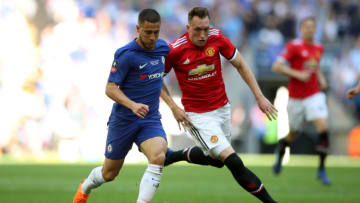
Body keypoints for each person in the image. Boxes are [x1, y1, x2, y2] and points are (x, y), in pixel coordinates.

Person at [161, 7, 278, 203]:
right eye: (197, 29)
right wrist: (174, 107)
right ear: (188, 27)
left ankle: (174, 156)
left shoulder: (217, 38)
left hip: (222, 109)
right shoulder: (175, 49)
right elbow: (157, 80)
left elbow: (241, 64)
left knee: (216, 161)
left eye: (206, 28)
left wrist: (259, 96)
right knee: (233, 161)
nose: (203, 34)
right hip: (198, 116)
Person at [73, 9, 170, 203]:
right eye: (148, 32)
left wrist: (174, 107)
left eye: (156, 32)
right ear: (138, 29)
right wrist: (132, 105)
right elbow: (110, 88)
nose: (152, 38)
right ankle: (85, 187)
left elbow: (159, 78)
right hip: (124, 120)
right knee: (109, 174)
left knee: (159, 156)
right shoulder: (126, 54)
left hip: (149, 119)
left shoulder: (163, 49)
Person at [271, 16, 331, 185]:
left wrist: (320, 77)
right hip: (296, 98)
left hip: (314, 94)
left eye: (313, 27)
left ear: (316, 29)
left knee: (323, 127)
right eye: (307, 27)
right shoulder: (294, 46)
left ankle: (321, 169)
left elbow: (314, 66)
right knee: (293, 134)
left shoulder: (319, 47)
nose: (310, 30)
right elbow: (276, 66)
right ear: (301, 29)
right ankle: (280, 151)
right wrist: (297, 74)